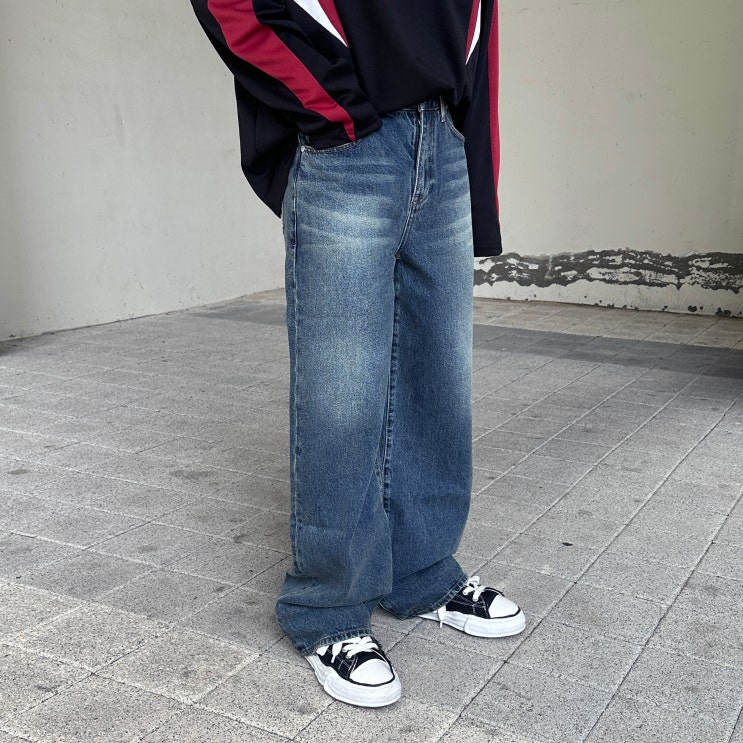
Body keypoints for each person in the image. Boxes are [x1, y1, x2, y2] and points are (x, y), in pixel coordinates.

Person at [190, 0, 525, 707]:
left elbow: (478, 19)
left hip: (442, 134)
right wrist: (334, 109)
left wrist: (472, 155)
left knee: (438, 376)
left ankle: (421, 571)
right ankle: (329, 606)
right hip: (349, 141)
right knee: (340, 389)